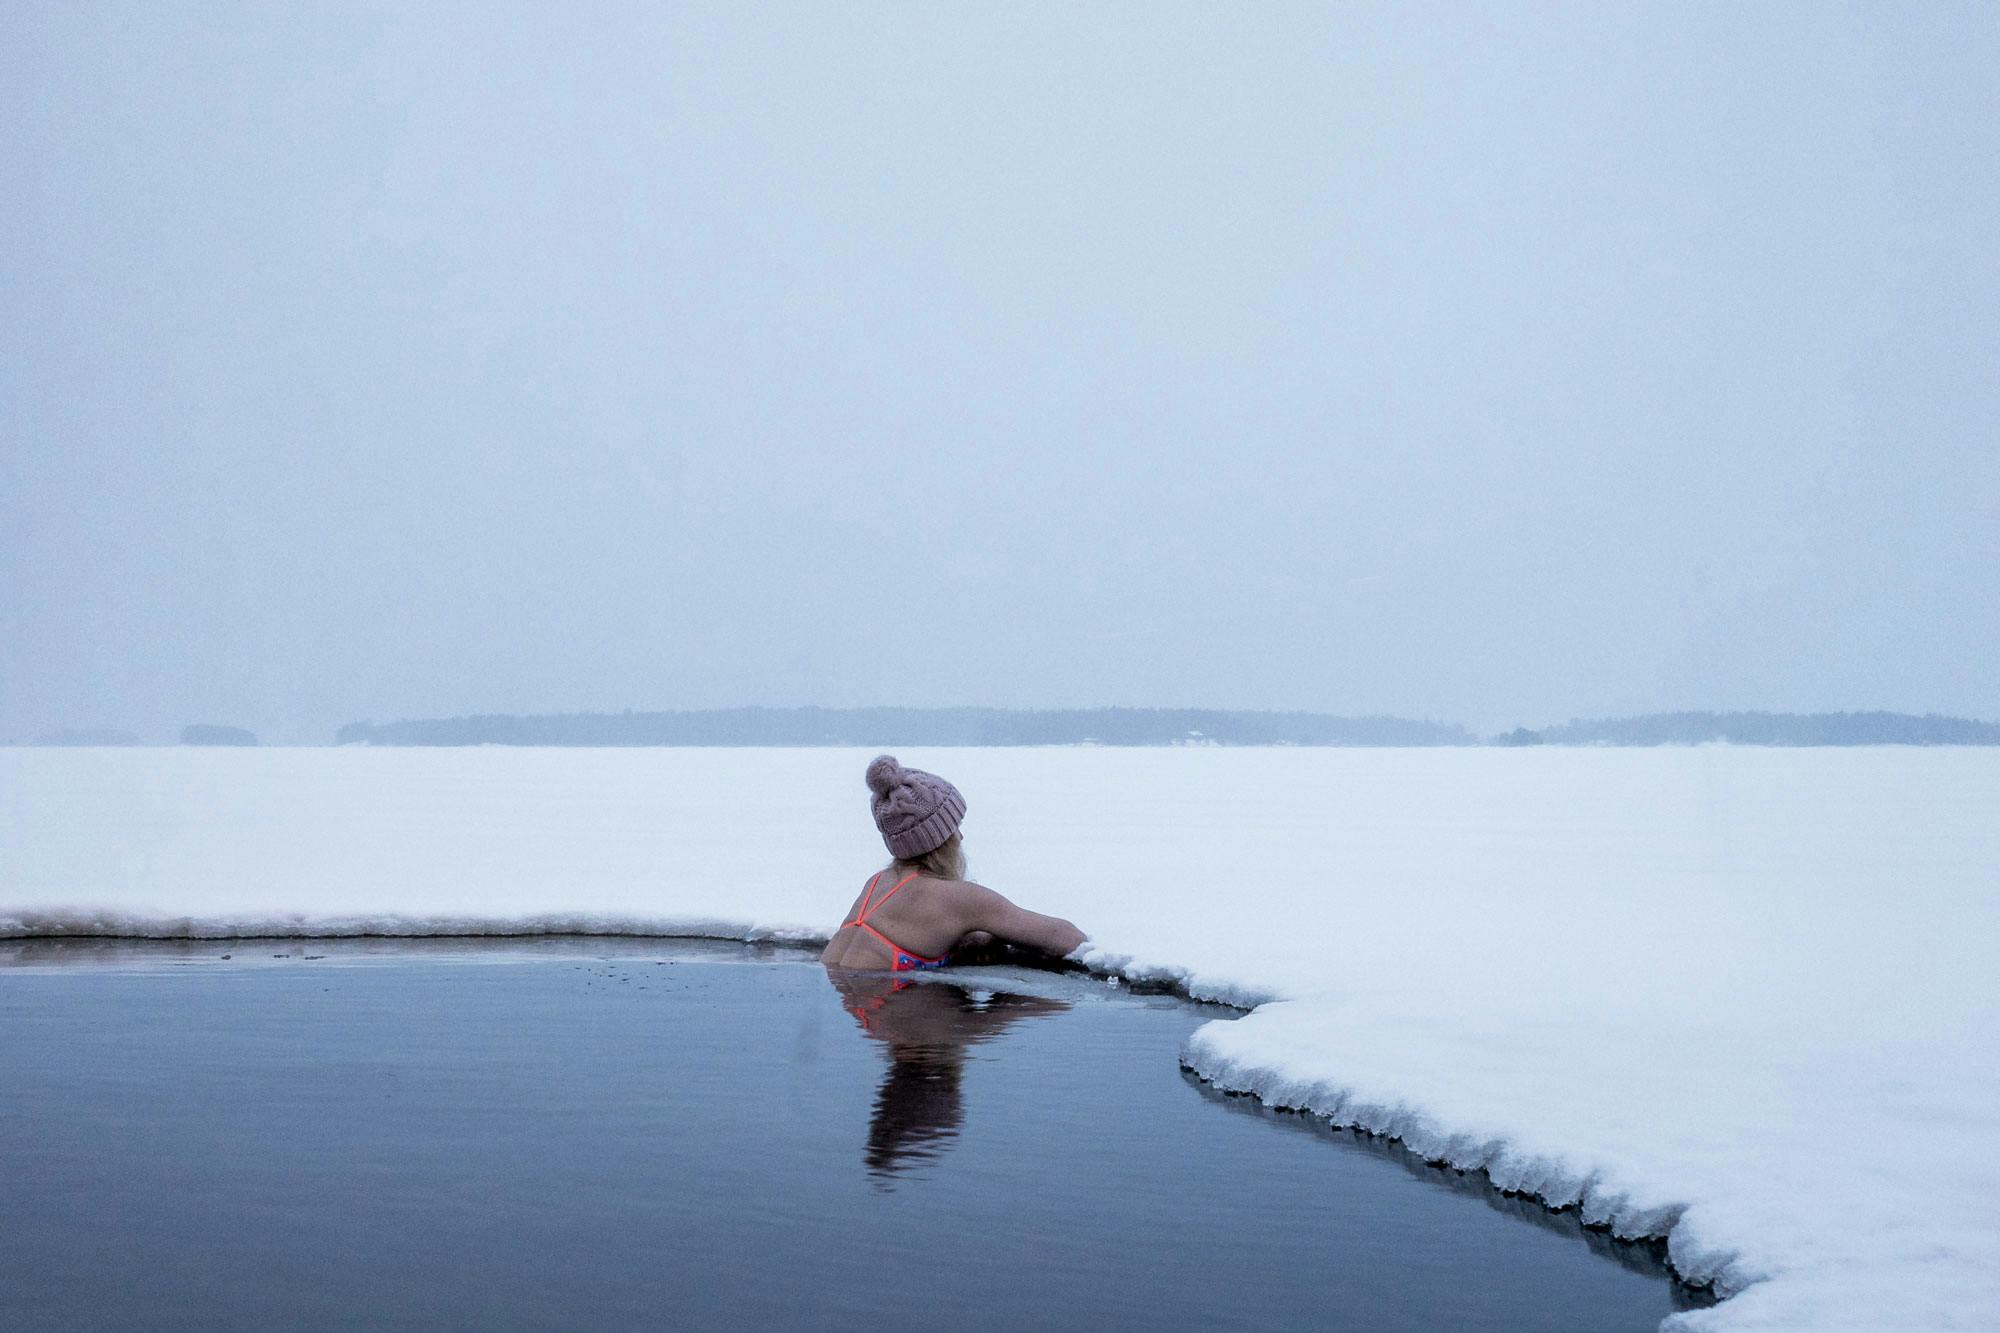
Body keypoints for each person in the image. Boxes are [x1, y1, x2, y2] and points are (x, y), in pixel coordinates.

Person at [820, 755, 1085, 972]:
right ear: (939, 839)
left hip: (856, 1020)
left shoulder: (877, 883)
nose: (960, 836)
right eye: (954, 828)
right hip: (896, 1016)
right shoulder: (958, 898)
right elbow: (1069, 939)